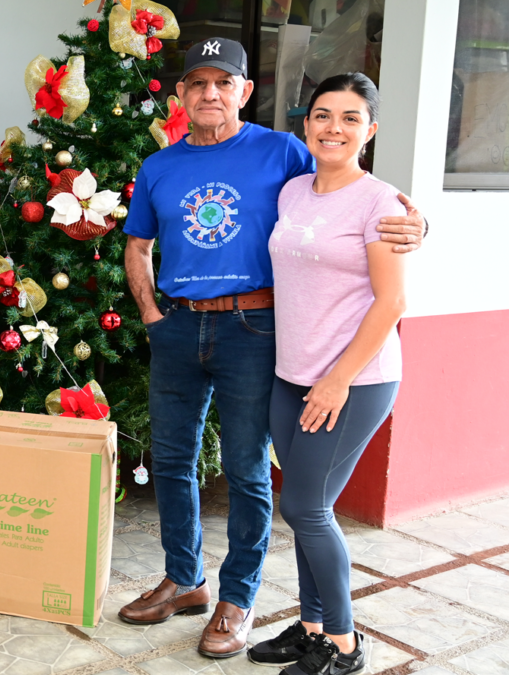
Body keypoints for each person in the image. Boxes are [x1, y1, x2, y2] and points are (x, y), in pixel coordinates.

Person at [120, 38, 424, 658]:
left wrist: (416, 223)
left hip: (255, 331)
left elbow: (347, 191)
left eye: (223, 83)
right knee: (174, 461)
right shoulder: (159, 166)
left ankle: (238, 597)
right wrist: (152, 314)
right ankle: (185, 581)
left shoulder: (283, 150)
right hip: (178, 326)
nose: (210, 94)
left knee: (246, 468)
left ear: (244, 93)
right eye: (197, 83)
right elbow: (137, 245)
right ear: (180, 95)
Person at [245, 73, 403, 675]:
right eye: (322, 115)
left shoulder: (381, 203)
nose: (334, 127)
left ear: (370, 130)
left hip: (353, 380)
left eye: (350, 117)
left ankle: (343, 643)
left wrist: (336, 379)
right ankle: (311, 627)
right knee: (309, 506)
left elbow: (390, 302)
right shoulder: (293, 192)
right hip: (294, 373)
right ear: (306, 124)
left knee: (307, 508)